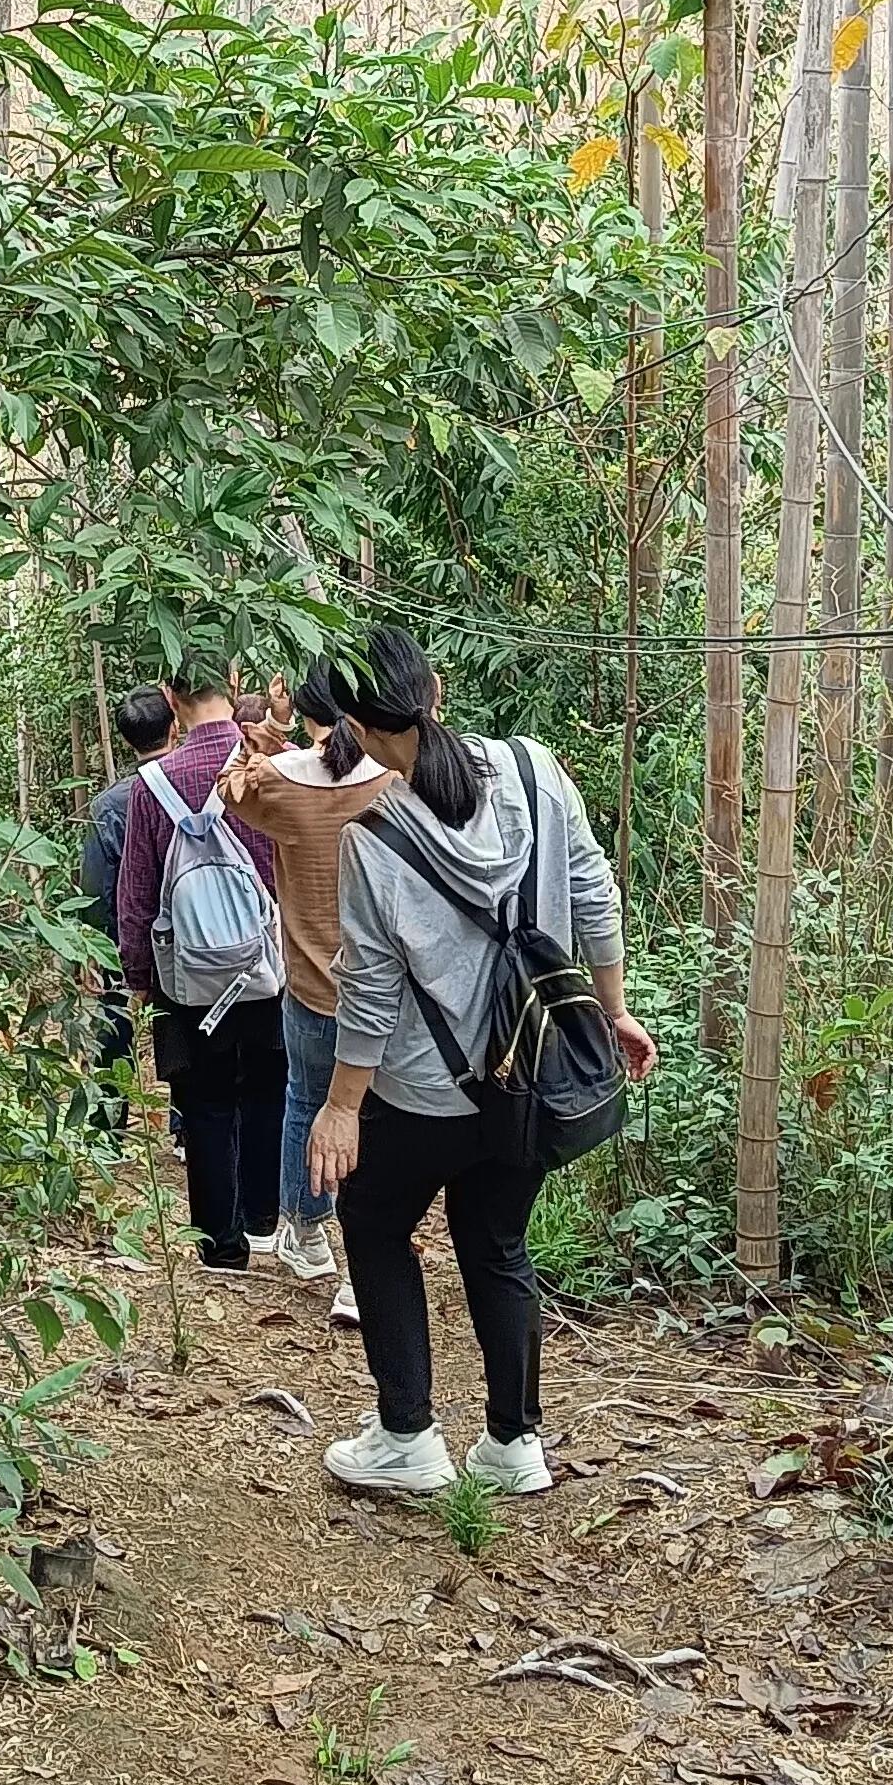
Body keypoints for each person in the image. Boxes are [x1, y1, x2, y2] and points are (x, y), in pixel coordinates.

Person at [306, 625, 655, 1499]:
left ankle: (407, 1436)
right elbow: (593, 893)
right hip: (531, 1077)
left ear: (356, 728)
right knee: (497, 1241)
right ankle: (514, 1444)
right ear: (436, 691)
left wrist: (341, 1107)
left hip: (424, 1094)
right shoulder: (537, 772)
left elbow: (372, 992)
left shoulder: (373, 838)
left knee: (375, 1224)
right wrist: (612, 1010)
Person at [115, 650, 290, 1266]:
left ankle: (221, 1245)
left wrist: (138, 976)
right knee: (268, 1088)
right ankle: (264, 1219)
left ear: (171, 697)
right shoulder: (271, 767)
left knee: (206, 1101)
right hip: (267, 965)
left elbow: (137, 891)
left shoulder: (152, 786)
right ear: (235, 684)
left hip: (186, 974)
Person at [225, 666, 387, 1313]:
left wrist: (272, 726)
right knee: (374, 1124)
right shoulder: (389, 776)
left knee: (308, 1102)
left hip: (314, 987)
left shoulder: (283, 781)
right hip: (387, 995)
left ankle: (310, 1232)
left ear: (308, 709)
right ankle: (362, 1272)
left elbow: (230, 789)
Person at [76, 686, 175, 1090]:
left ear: (125, 739)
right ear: (174, 726)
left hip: (126, 942)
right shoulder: (200, 783)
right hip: (192, 939)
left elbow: (96, 887)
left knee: (113, 1035)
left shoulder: (109, 804)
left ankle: (108, 1117)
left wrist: (91, 950)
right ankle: (183, 1121)